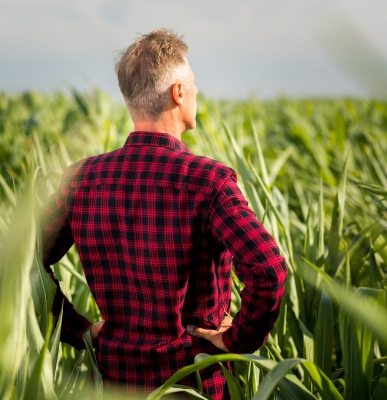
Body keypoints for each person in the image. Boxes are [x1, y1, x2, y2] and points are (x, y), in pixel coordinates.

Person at [41, 28, 288, 399]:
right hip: (194, 383)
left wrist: (78, 331)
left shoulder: (81, 179)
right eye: (193, 83)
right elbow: (269, 271)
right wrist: (235, 341)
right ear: (178, 93)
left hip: (110, 383)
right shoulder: (209, 182)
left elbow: (23, 261)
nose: (197, 92)